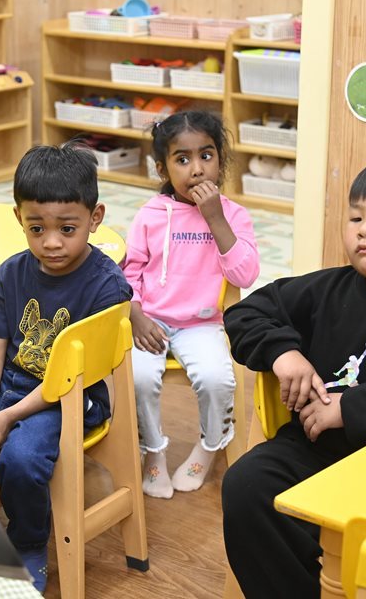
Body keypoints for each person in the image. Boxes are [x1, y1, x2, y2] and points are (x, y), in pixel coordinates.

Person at [222, 153, 366, 598]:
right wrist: (283, 353)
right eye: (356, 215)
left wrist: (350, 407)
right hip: (316, 452)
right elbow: (246, 312)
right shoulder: (328, 288)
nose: (364, 227)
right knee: (247, 486)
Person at [0, 141, 133, 592]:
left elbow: (64, 384)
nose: (51, 242)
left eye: (67, 228)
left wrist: (3, 418)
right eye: (36, 228)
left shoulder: (107, 287)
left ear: (95, 217)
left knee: (22, 459)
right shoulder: (12, 273)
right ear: (19, 219)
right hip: (8, 381)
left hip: (70, 396)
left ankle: (28, 541)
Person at [121, 111, 260, 499]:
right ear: (163, 168)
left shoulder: (233, 215)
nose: (196, 169)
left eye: (207, 155)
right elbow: (128, 273)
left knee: (217, 379)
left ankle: (208, 448)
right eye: (182, 159)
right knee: (137, 377)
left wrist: (215, 218)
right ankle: (154, 451)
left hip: (202, 323)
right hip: (149, 321)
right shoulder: (150, 215)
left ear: (221, 158)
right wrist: (136, 314)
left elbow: (246, 275)